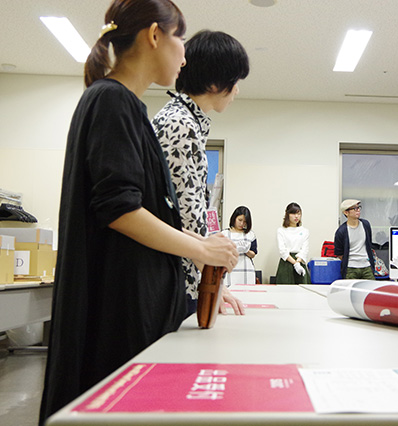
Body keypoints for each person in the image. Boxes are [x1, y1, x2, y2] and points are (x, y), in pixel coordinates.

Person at [39, 1, 239, 424]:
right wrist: (204, 252)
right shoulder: (113, 101)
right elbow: (120, 210)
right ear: (154, 36)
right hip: (121, 309)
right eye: (179, 38)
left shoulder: (125, 106)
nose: (184, 55)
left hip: (132, 300)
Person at [153, 30, 249, 315]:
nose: (237, 91)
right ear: (215, 83)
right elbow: (180, 216)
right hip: (173, 279)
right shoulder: (180, 125)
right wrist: (211, 282)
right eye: (235, 82)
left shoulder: (187, 122)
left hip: (183, 275)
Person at [333, 199, 376, 279]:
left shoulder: (365, 225)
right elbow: (339, 253)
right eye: (354, 208)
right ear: (346, 212)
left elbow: (369, 244)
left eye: (359, 207)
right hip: (350, 268)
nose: (358, 210)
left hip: (367, 266)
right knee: (351, 291)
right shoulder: (341, 231)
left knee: (370, 289)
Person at [221, 206, 258, 286]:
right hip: (229, 269)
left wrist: (246, 251)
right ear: (234, 218)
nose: (242, 224)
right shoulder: (224, 234)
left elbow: (253, 254)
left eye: (245, 222)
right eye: (240, 220)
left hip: (246, 270)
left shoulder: (250, 235)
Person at [276, 202, 310, 284]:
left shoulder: (304, 231)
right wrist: (295, 264)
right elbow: (282, 251)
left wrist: (298, 263)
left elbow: (305, 249)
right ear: (287, 214)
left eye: (299, 213)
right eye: (293, 213)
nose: (296, 216)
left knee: (302, 292)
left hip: (300, 261)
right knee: (285, 292)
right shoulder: (281, 230)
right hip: (286, 263)